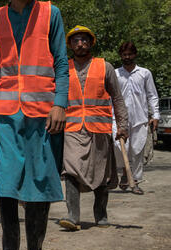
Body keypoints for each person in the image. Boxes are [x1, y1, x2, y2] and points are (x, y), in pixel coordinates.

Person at [0, 0, 69, 250]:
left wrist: (60, 104)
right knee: (5, 181)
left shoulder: (50, 14)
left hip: (43, 113)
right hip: (4, 115)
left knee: (38, 180)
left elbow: (61, 61)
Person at [59, 25, 129, 231]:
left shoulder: (104, 66)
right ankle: (73, 216)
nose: (80, 43)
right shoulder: (63, 68)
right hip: (71, 127)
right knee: (70, 169)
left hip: (98, 128)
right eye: (76, 40)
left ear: (90, 43)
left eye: (84, 40)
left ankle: (101, 214)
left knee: (102, 173)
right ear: (70, 44)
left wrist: (123, 126)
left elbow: (117, 97)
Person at [113, 41, 160, 195]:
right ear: (120, 56)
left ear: (135, 55)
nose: (127, 57)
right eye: (124, 55)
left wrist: (156, 115)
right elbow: (110, 97)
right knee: (120, 148)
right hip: (119, 118)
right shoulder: (115, 74)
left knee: (137, 150)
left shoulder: (144, 73)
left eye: (130, 54)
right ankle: (125, 174)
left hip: (140, 118)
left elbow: (152, 95)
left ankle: (136, 181)